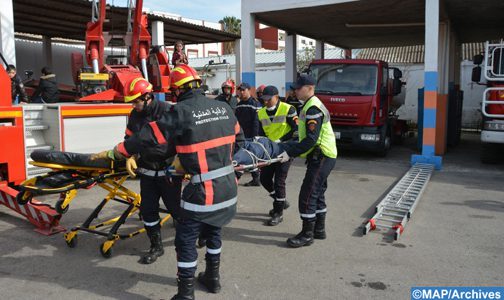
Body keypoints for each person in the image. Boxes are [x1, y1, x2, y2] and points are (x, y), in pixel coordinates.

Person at [95, 65, 244, 300]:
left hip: (202, 191)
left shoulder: (180, 112)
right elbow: (240, 140)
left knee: (185, 240)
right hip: (228, 188)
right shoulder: (224, 108)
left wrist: (120, 151)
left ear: (176, 90)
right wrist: (233, 172)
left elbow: (147, 137)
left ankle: (185, 295)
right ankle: (212, 279)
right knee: (214, 231)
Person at [92, 77, 182, 265]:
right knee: (148, 211)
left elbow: (176, 141)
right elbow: (130, 139)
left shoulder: (167, 111)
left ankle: (190, 238)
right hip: (147, 172)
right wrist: (131, 156)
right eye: (131, 102)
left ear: (148, 97)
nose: (134, 105)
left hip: (168, 172)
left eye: (136, 101)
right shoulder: (134, 115)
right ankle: (156, 247)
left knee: (177, 211)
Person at [278, 74, 337, 248]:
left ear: (309, 87)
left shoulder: (313, 109)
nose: (295, 91)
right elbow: (303, 136)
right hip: (323, 155)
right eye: (294, 88)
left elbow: (311, 139)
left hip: (322, 156)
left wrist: (290, 154)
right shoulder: (309, 105)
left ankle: (307, 234)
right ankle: (319, 230)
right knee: (317, 192)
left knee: (308, 194)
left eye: (298, 88)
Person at [257, 85, 298, 226]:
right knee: (264, 178)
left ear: (276, 97)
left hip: (285, 150)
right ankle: (280, 200)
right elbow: (260, 133)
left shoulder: (289, 109)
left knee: (280, 181)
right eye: (264, 99)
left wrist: (281, 140)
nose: (266, 102)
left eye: (268, 99)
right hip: (269, 151)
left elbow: (296, 130)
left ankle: (278, 212)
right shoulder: (261, 112)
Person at [235, 82, 262, 186]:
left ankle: (252, 178)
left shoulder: (255, 104)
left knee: (249, 157)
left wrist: (255, 136)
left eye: (243, 90)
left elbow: (257, 122)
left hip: (251, 136)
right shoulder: (239, 105)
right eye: (240, 90)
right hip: (242, 136)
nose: (241, 92)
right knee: (245, 157)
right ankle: (255, 179)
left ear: (249, 90)